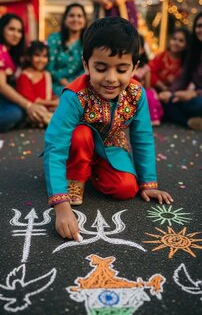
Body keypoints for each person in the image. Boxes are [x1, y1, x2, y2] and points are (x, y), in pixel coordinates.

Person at [44, 17, 173, 241]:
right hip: (77, 146)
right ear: (86, 65)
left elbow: (142, 138)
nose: (111, 79)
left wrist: (148, 183)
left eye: (122, 69)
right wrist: (61, 205)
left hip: (111, 146)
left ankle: (92, 173)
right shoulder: (75, 95)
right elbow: (56, 146)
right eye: (101, 68)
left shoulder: (137, 94)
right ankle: (75, 176)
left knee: (126, 189)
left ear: (135, 67)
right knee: (81, 134)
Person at [0, 13, 47, 132]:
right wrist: (28, 105)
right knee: (17, 113)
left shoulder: (11, 52)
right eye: (11, 29)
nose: (16, 34)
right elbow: (2, 85)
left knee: (20, 111)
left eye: (19, 31)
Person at [159, 12, 202, 130]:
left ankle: (183, 120)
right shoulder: (194, 52)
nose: (200, 29)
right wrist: (169, 92)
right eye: (199, 26)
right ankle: (189, 122)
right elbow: (183, 79)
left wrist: (194, 93)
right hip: (193, 97)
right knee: (166, 101)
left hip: (197, 97)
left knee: (198, 104)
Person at [47, 3, 87, 96]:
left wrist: (73, 84)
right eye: (71, 15)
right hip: (53, 85)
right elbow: (48, 66)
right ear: (65, 20)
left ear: (84, 21)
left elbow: (87, 70)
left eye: (79, 16)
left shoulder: (88, 43)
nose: (75, 19)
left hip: (79, 87)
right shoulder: (54, 39)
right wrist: (62, 81)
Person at [16, 41, 59, 126]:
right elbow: (32, 100)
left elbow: (49, 94)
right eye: (37, 55)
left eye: (44, 56)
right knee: (39, 111)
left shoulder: (46, 74)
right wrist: (54, 103)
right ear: (29, 57)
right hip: (34, 109)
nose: (41, 60)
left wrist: (56, 99)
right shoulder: (25, 76)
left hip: (48, 108)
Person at [133, 35, 164, 125]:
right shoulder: (125, 66)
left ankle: (150, 119)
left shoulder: (145, 68)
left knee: (148, 95)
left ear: (142, 50)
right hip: (126, 90)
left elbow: (147, 86)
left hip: (141, 89)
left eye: (136, 48)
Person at [149, 27, 191, 93]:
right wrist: (163, 87)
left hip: (175, 95)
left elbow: (186, 83)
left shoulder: (186, 62)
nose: (176, 43)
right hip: (155, 92)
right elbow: (150, 72)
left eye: (181, 41)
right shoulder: (161, 56)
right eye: (174, 39)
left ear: (186, 45)